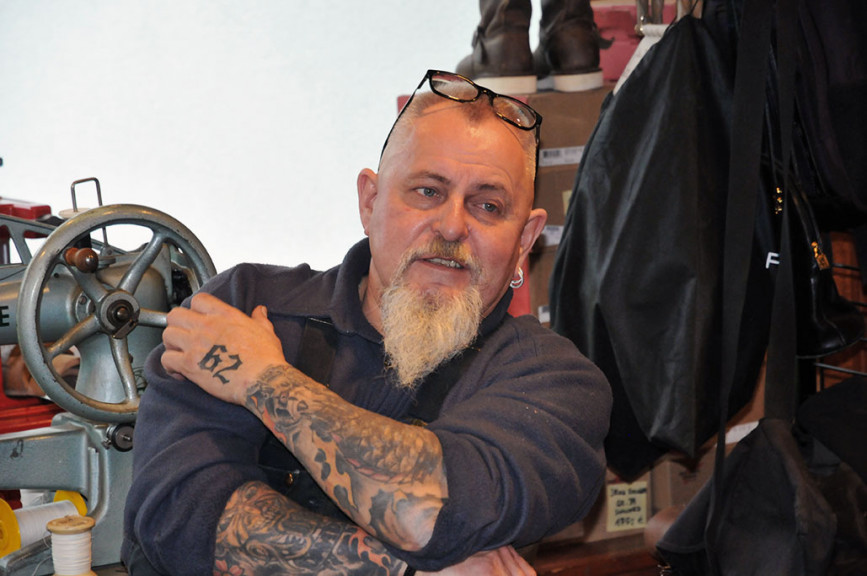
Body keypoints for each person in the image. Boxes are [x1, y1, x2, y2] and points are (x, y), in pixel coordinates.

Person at [122, 69, 612, 575]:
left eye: (488, 206)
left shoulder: (556, 385)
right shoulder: (243, 305)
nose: (451, 226)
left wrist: (262, 379)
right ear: (370, 201)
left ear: (525, 240)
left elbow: (432, 512)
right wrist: (411, 572)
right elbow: (178, 520)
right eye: (427, 191)